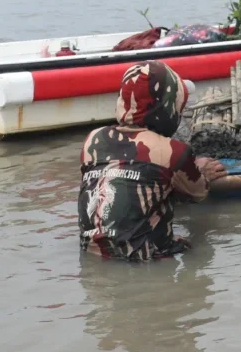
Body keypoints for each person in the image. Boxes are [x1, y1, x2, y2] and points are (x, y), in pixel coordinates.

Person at [78, 60, 227, 261]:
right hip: (144, 260)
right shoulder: (173, 151)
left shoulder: (92, 140)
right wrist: (200, 171)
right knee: (203, 249)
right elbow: (197, 193)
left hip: (91, 256)